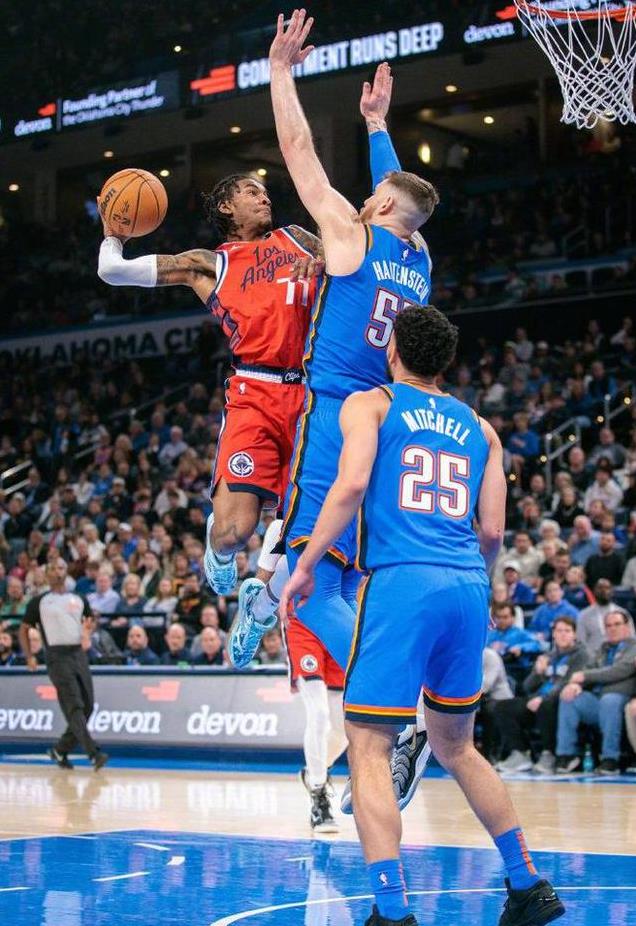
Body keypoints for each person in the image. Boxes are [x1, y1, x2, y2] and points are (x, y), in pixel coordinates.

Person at [282, 303, 564, 926]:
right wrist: (470, 584)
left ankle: (391, 910)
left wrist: (307, 565)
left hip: (402, 582)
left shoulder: (372, 404)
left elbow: (351, 486)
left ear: (391, 349)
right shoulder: (481, 429)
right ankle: (528, 884)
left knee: (368, 748)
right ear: (446, 361)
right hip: (468, 584)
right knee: (458, 746)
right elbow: (493, 531)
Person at [231, 48, 435, 809]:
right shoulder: (419, 256)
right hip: (385, 419)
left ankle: (401, 714)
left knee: (305, 582)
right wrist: (378, 127)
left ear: (377, 208)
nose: (365, 198)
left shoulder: (353, 238)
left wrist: (280, 75)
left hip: (336, 413)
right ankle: (394, 716)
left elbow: (298, 152)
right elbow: (403, 195)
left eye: (372, 195)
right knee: (343, 577)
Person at [18, 559, 108, 771]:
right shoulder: (39, 602)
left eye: (61, 567)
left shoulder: (78, 598)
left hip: (78, 654)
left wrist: (88, 632)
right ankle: (93, 753)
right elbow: (23, 629)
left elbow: (90, 621)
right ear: (47, 573)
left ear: (66, 572)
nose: (57, 572)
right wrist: (29, 656)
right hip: (56, 656)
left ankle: (60, 749)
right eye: (53, 568)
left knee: (88, 705)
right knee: (74, 705)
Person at [494, 617, 588, 775]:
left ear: (574, 634)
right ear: (553, 634)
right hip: (539, 699)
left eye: (567, 631)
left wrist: (543, 698)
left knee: (546, 705)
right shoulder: (549, 656)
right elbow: (527, 686)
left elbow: (568, 682)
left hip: (562, 701)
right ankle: (520, 753)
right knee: (503, 707)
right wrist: (538, 672)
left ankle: (548, 754)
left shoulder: (581, 655)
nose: (563, 634)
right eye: (559, 630)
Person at [556, 610, 636, 775]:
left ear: (627, 627)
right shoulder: (602, 649)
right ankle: (567, 755)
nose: (612, 629)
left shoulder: (633, 647)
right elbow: (586, 669)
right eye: (608, 626)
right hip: (597, 699)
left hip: (620, 698)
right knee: (569, 697)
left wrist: (585, 676)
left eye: (617, 624)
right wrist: (576, 685)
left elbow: (619, 671)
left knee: (609, 700)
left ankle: (610, 759)